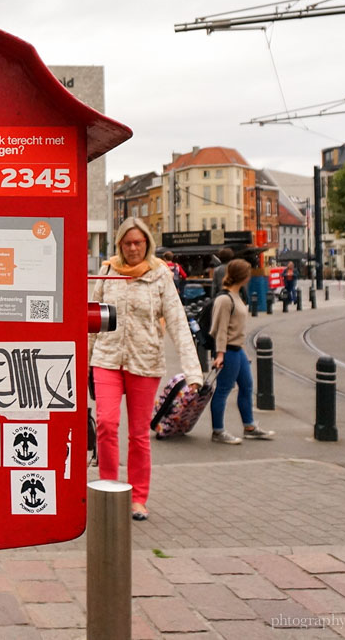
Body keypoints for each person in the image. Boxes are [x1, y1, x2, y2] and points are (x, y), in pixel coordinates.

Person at [89, 217, 204, 522]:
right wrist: (77, 365)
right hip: (107, 358)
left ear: (147, 244)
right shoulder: (107, 271)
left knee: (139, 434)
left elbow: (178, 322)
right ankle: (109, 489)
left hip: (145, 361)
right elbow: (90, 319)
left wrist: (193, 373)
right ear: (120, 244)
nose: (133, 248)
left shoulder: (160, 275)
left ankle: (138, 497)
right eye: (128, 243)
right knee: (106, 423)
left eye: (139, 242)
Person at [209, 259, 275, 444]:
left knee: (247, 386)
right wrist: (220, 354)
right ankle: (218, 431)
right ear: (244, 276)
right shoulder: (225, 299)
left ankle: (250, 427)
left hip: (238, 350)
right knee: (223, 390)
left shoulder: (238, 296)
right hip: (228, 351)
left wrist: (244, 352)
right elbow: (220, 329)